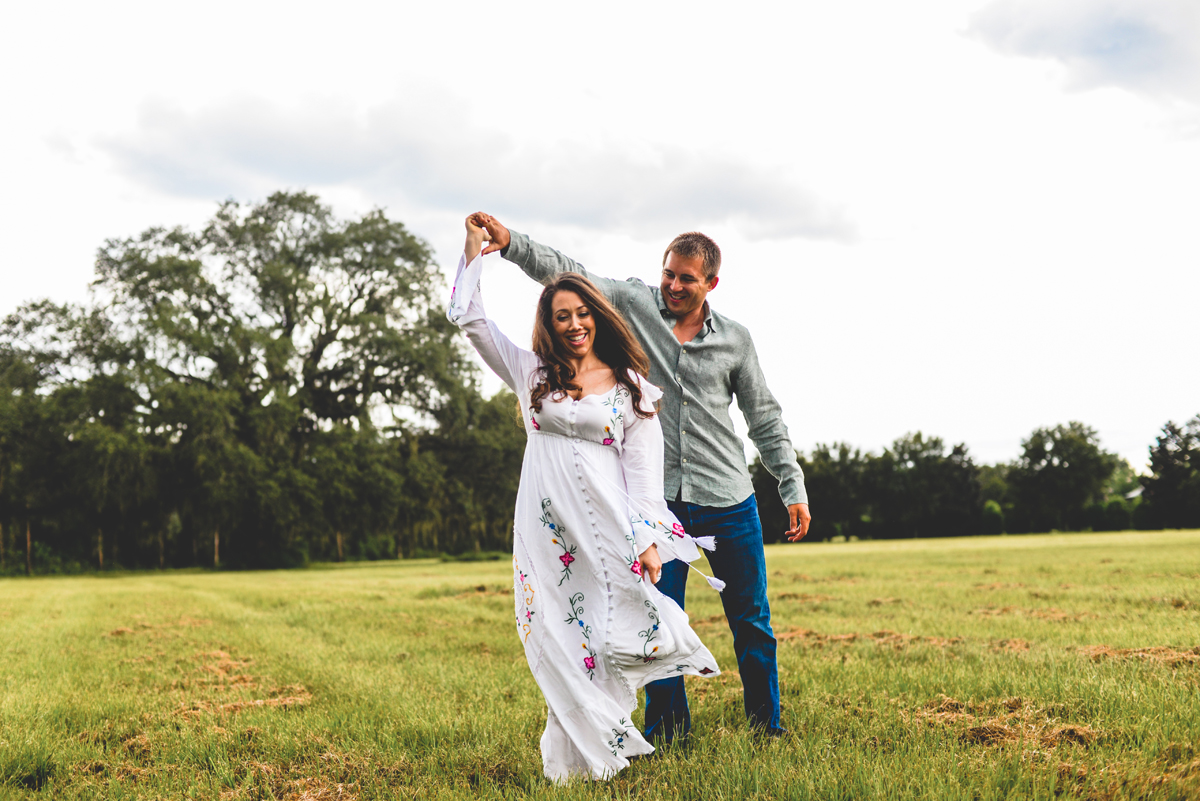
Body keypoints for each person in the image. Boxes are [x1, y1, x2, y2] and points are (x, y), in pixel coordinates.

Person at [469, 212, 811, 741]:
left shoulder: (736, 341)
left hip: (728, 498)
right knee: (652, 617)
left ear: (711, 284)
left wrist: (791, 485)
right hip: (653, 504)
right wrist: (512, 243)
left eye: (686, 279)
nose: (673, 285)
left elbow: (764, 417)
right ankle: (669, 733)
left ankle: (766, 727)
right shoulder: (630, 304)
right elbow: (570, 273)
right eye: (669, 273)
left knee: (752, 621)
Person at [448, 217, 721, 783]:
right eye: (560, 316)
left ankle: (602, 749)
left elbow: (644, 476)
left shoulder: (631, 389)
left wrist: (647, 541)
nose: (573, 324)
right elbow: (471, 320)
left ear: (597, 316)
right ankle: (570, 761)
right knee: (555, 630)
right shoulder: (530, 372)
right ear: (549, 324)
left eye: (581, 313)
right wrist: (473, 252)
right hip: (546, 528)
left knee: (602, 633)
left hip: (606, 525)